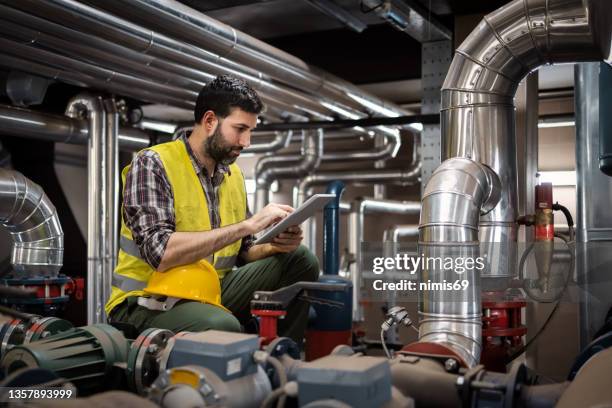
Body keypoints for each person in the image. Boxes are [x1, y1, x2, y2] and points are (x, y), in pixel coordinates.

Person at [105, 75, 319, 343]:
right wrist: (247, 226)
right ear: (209, 121)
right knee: (222, 326)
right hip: (147, 299)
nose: (246, 141)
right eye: (240, 129)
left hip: (209, 290)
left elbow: (243, 251)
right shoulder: (153, 164)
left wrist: (274, 246)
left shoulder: (234, 175)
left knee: (301, 259)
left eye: (250, 131)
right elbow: (160, 252)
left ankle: (281, 355)